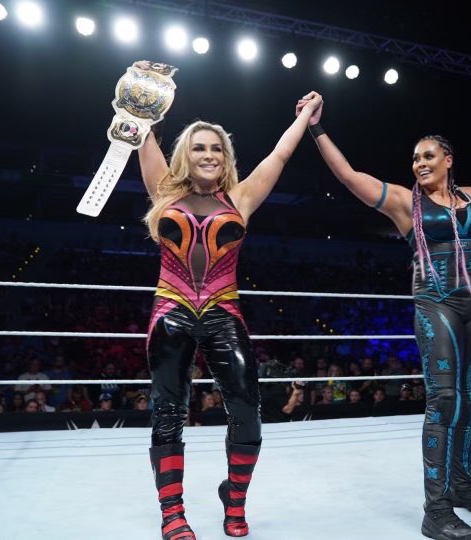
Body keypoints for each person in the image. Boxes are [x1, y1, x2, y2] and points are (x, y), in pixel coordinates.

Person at [297, 96, 471, 540]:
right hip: (435, 304)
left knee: (470, 398)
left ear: (448, 160)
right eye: (415, 158)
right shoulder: (404, 202)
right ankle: (435, 510)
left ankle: (460, 485)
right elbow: (348, 176)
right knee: (444, 399)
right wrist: (316, 128)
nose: (419, 163)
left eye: (427, 156)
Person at [138, 79, 323, 540]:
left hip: (224, 311)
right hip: (172, 308)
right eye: (199, 147)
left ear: (226, 157)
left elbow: (280, 155)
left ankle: (235, 500)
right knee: (168, 410)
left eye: (216, 148)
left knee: (247, 407)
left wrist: (306, 116)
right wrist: (142, 97)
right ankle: (172, 513)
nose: (208, 154)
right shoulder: (165, 190)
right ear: (186, 154)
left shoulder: (240, 198)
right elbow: (143, 132)